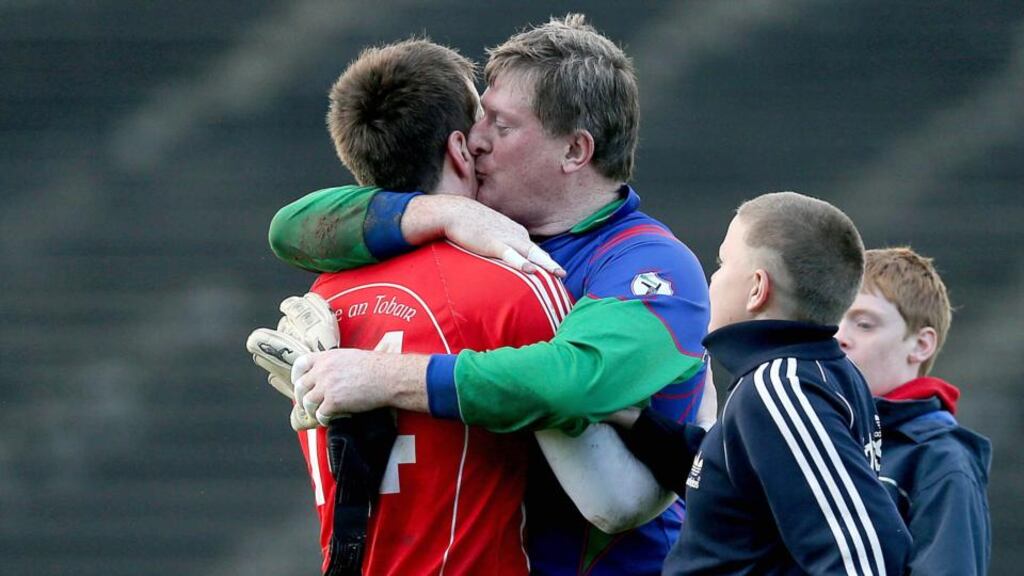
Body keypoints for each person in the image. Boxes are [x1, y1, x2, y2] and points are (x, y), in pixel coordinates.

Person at [277, 14, 712, 575]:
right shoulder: (472, 236)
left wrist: (386, 377)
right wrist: (442, 210)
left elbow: (570, 380)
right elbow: (289, 229)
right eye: (480, 116)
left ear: (575, 151)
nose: (474, 139)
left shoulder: (649, 265)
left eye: (501, 126)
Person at [655, 192, 912, 575]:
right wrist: (637, 425)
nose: (714, 276)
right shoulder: (821, 372)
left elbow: (865, 555)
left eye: (723, 263)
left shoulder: (779, 387)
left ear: (757, 288)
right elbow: (745, 487)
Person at [837, 247, 991, 575]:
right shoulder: (812, 437)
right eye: (832, 319)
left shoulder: (941, 462)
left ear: (921, 345)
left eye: (864, 324)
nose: (839, 337)